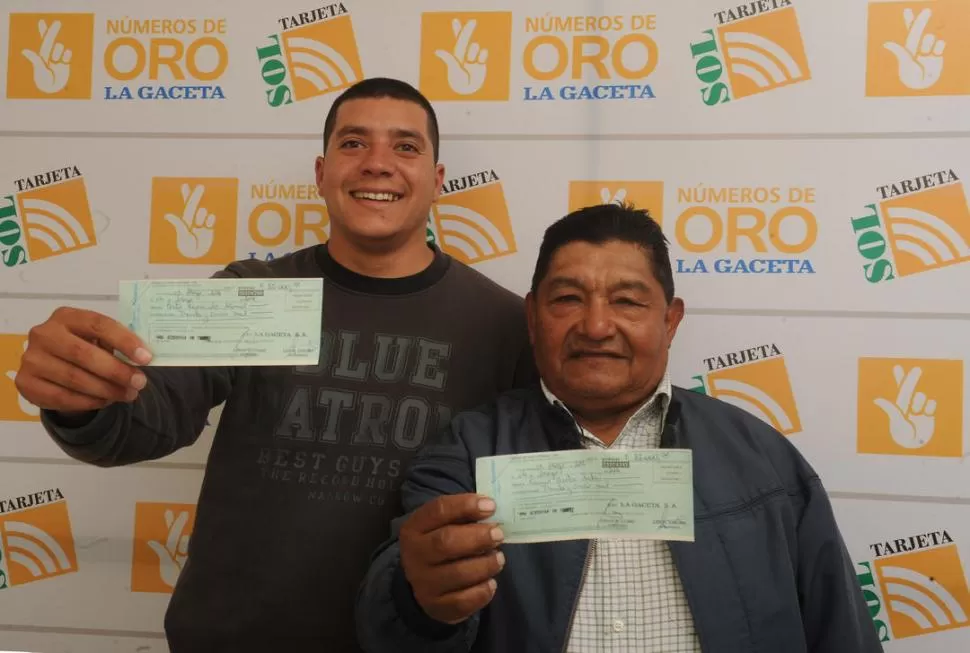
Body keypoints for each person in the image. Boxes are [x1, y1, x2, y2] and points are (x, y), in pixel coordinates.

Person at [15, 78, 536, 652]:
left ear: (438, 181)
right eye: (353, 143)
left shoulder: (503, 325)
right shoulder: (253, 291)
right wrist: (80, 399)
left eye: (406, 147)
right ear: (321, 173)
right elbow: (140, 421)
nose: (378, 164)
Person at [355, 203, 884, 653]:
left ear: (670, 321)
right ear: (533, 317)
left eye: (627, 300)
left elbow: (841, 630)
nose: (597, 326)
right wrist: (415, 599)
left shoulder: (762, 459)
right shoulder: (468, 451)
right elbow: (390, 620)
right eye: (567, 299)